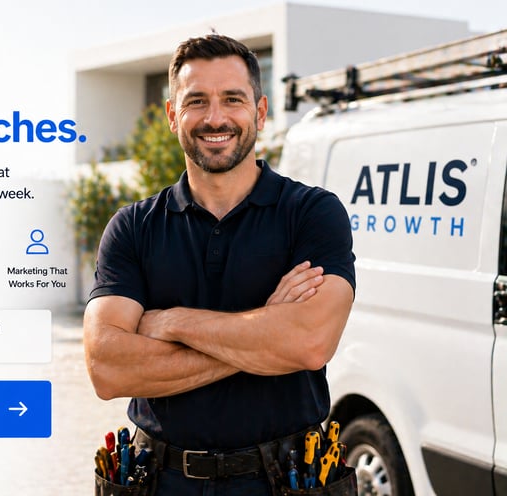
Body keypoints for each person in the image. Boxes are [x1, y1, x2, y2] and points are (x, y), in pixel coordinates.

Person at [83, 34, 356, 495]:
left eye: (233, 99)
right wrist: (266, 335)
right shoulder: (132, 227)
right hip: (159, 479)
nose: (215, 118)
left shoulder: (312, 213)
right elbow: (106, 368)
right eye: (196, 101)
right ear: (173, 116)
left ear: (261, 112)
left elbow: (309, 343)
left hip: (286, 479)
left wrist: (172, 321)